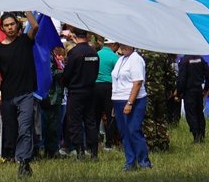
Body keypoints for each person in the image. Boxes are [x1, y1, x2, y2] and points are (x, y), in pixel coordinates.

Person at [0, 12, 42, 179]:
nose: (10, 27)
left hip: (25, 93)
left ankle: (23, 162)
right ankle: (18, 158)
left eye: (12, 24)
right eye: (6, 25)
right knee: (11, 131)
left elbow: (35, 26)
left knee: (25, 128)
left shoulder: (25, 41)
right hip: (8, 96)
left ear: (17, 25)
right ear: (2, 28)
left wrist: (26, 9)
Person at [59, 27, 100, 160]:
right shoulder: (94, 52)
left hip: (76, 91)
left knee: (75, 122)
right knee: (91, 121)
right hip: (91, 90)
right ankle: (94, 152)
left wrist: (64, 82)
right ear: (87, 36)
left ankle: (80, 151)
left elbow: (67, 73)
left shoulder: (74, 53)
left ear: (74, 36)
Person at [110, 40, 149, 170]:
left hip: (133, 99)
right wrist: (114, 104)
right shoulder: (121, 59)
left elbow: (137, 83)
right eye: (121, 44)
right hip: (118, 99)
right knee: (124, 132)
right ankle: (130, 161)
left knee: (133, 130)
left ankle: (143, 161)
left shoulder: (136, 59)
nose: (123, 47)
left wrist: (130, 103)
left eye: (126, 44)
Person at [176, 52, 209, 144]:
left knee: (191, 114)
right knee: (199, 113)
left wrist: (178, 93)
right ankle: (202, 136)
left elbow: (181, 79)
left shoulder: (184, 61)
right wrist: (206, 89)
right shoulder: (200, 59)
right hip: (199, 90)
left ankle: (196, 137)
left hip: (189, 91)